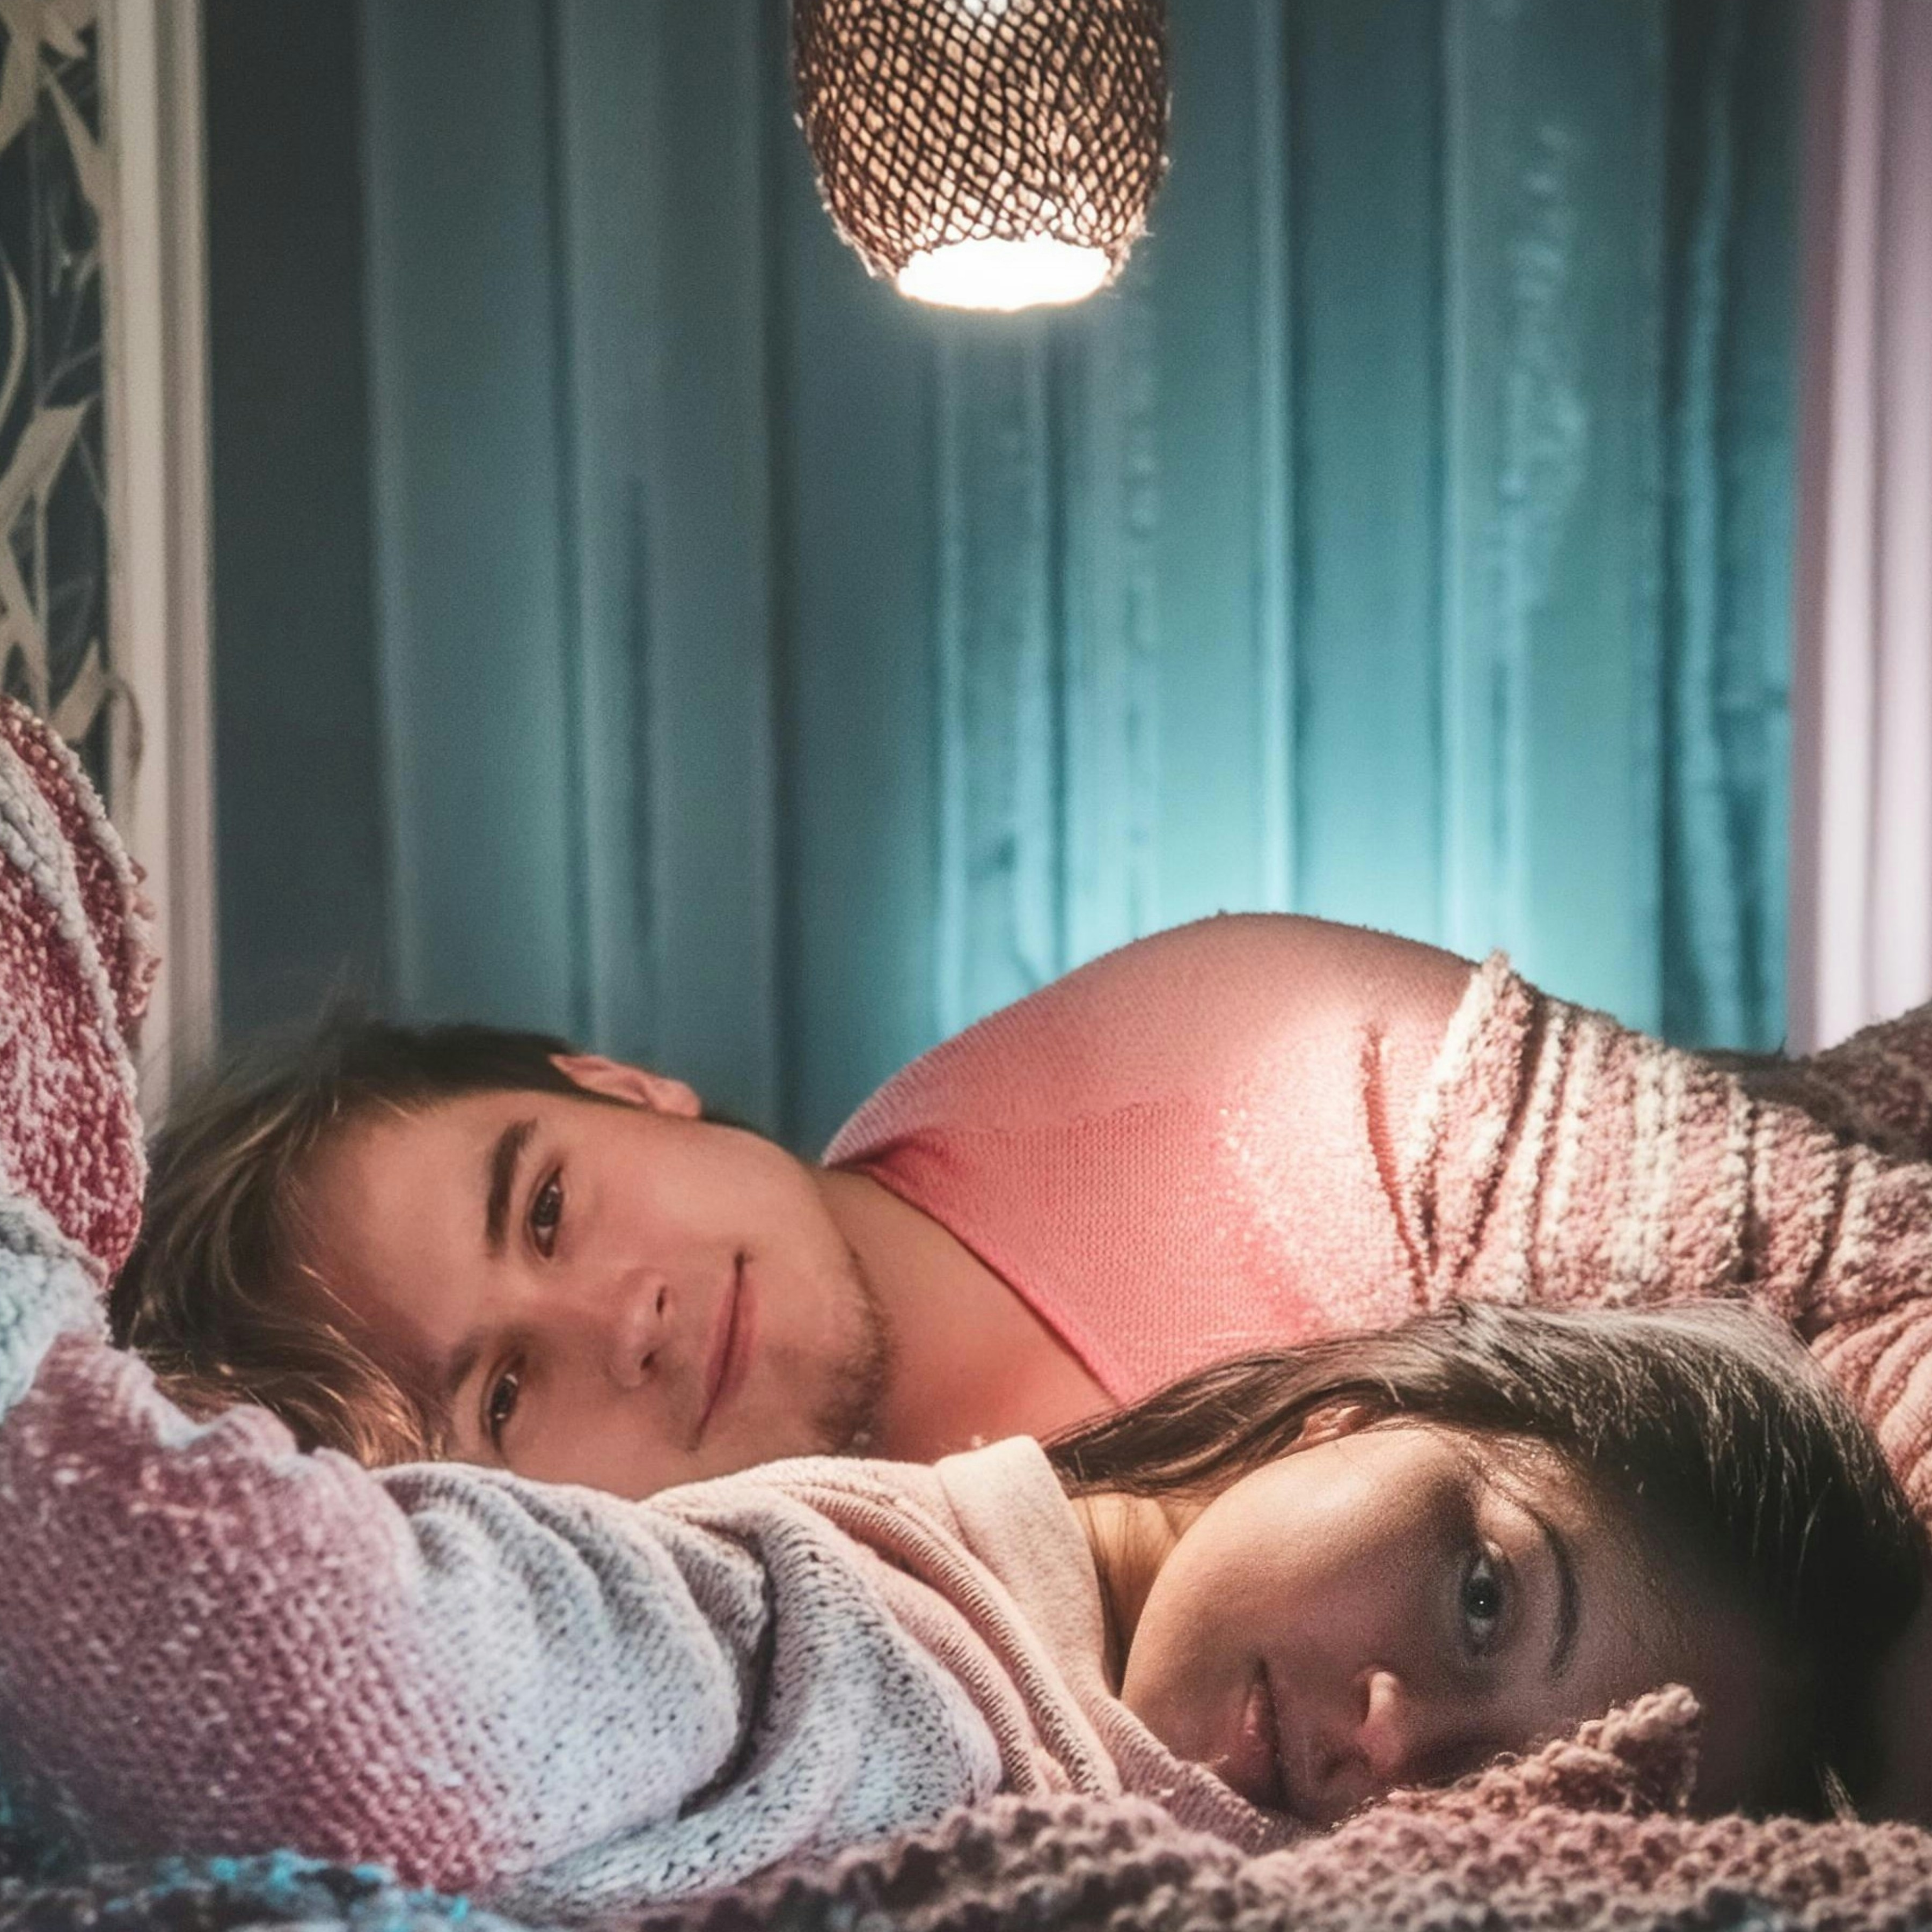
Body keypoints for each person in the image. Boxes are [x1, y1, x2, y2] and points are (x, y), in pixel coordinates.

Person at [0, 1277, 1921, 1913]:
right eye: (1486, 1600)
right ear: (1373, 1407)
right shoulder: (871, 1655)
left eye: (1519, 1793)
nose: (1395, 1746)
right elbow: (316, 1665)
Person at [113, 915, 1932, 1517]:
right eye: (505, 1394)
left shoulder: (1237, 1068)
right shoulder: (811, 1693)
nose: (621, 1318)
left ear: (622, 1084)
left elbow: (1872, 1278)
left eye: (549, 1206)